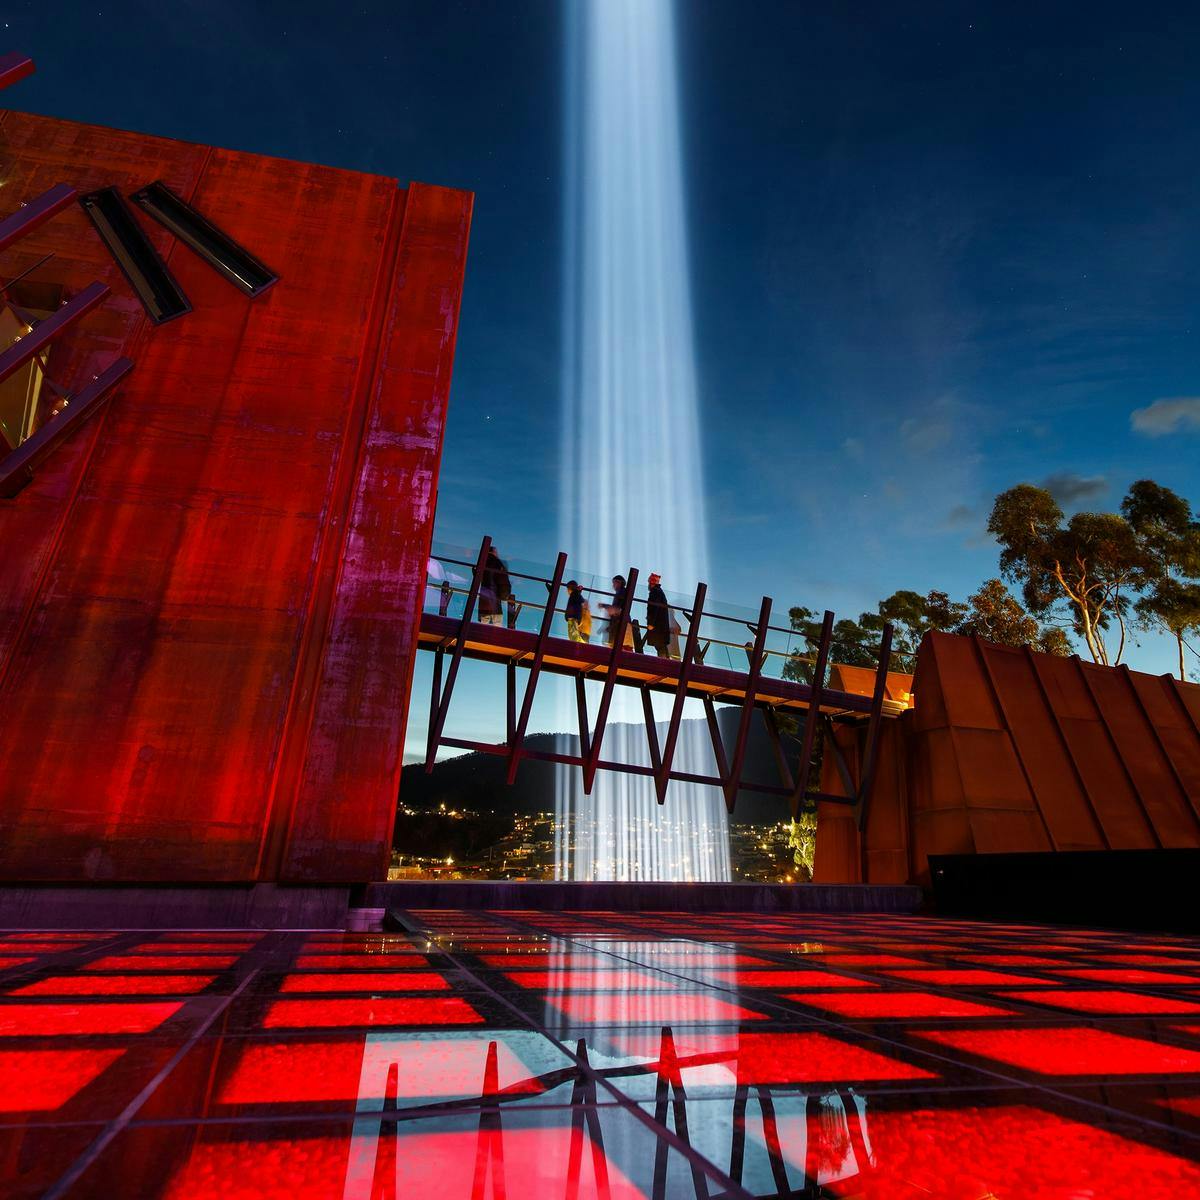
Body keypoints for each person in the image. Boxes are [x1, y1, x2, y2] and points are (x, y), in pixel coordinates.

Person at [478, 546, 511, 625]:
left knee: (482, 628)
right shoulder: (498, 563)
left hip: (483, 603)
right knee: (496, 629)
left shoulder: (482, 562)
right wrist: (504, 597)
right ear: (494, 552)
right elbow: (503, 583)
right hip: (495, 603)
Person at [603, 574, 635, 648]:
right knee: (624, 646)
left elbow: (618, 609)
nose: (613, 585)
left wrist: (605, 606)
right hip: (622, 623)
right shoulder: (623, 592)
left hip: (622, 624)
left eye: (614, 582)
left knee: (623, 647)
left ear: (619, 583)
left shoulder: (621, 593)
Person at [645, 572, 671, 657]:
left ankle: (663, 666)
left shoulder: (655, 592)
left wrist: (651, 623)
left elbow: (654, 608)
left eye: (649, 582)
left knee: (660, 646)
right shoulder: (659, 591)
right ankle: (667, 665)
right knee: (662, 646)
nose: (648, 584)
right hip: (661, 626)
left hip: (658, 626)